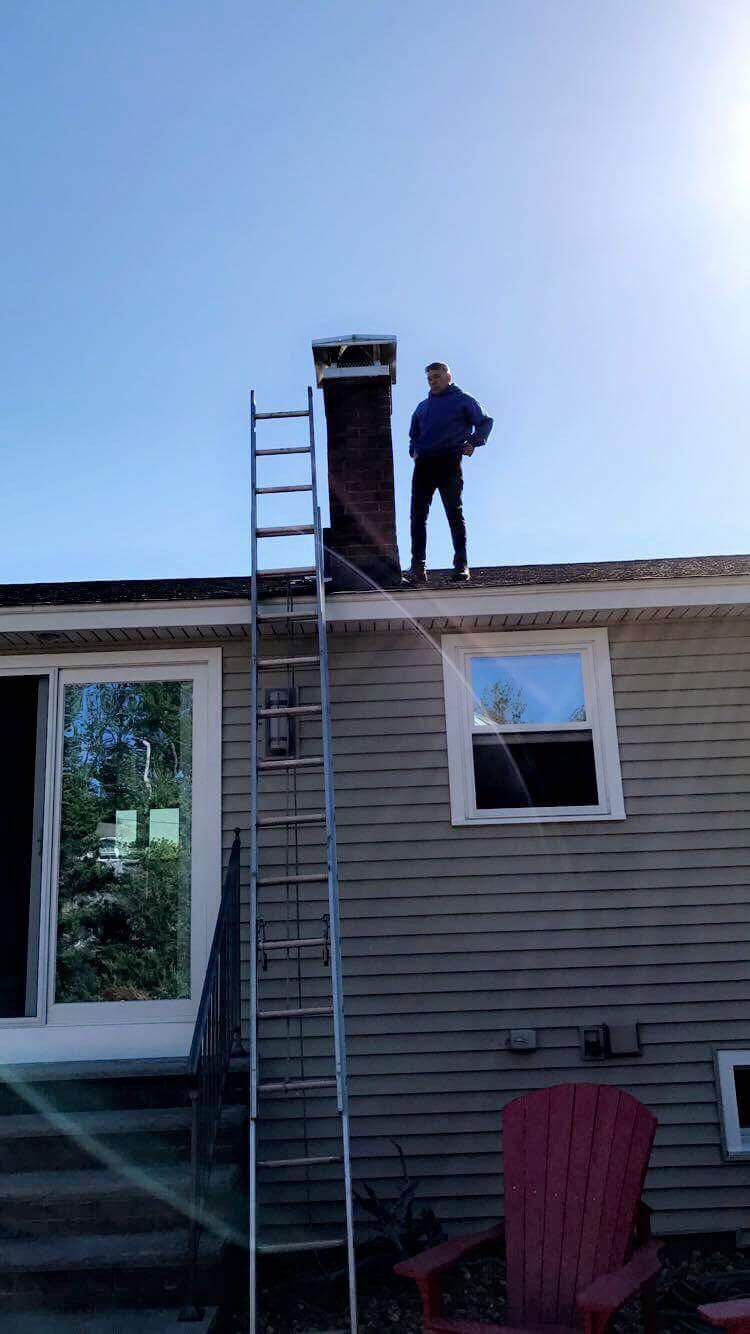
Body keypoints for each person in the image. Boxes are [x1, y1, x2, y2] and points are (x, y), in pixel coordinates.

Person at [404, 362, 493, 583]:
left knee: (454, 513)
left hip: (449, 461)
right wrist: (414, 451)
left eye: (437, 376)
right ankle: (417, 568)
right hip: (424, 464)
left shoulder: (462, 400)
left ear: (448, 376)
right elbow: (413, 434)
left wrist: (473, 442)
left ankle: (461, 566)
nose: (433, 381)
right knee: (417, 516)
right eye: (429, 378)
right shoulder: (422, 407)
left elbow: (485, 422)